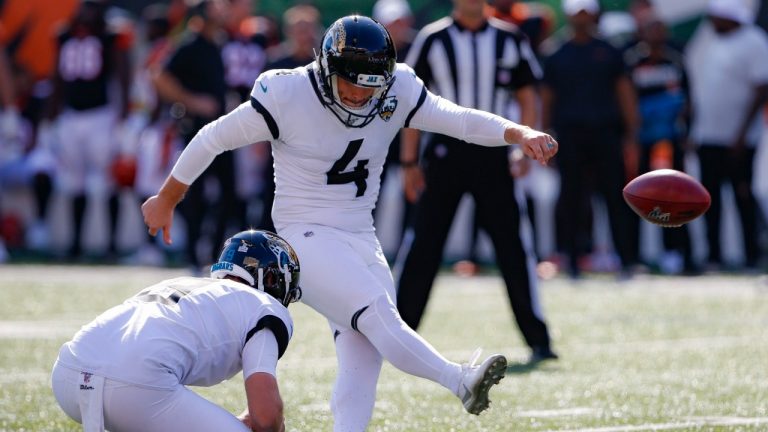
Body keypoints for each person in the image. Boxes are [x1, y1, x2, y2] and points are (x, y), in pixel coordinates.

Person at [142, 15, 557, 430]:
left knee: (364, 357)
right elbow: (213, 137)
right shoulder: (287, 92)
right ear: (326, 71)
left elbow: (461, 120)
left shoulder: (398, 88)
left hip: (361, 234)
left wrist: (517, 132)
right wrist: (168, 197)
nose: (359, 95)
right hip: (303, 233)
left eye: (370, 84)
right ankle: (459, 379)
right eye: (351, 82)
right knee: (378, 313)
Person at [394, 0, 558, 362]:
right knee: (423, 244)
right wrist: (409, 161)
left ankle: (538, 338)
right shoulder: (433, 38)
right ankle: (397, 336)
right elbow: (409, 103)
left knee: (513, 247)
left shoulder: (509, 38)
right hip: (444, 153)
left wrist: (524, 147)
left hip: (494, 152)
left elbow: (526, 93)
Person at [51, 229, 301, 432]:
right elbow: (266, 417)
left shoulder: (181, 283)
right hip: (136, 386)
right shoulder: (265, 306)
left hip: (70, 371)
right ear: (274, 279)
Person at [540, 0, 640, 279]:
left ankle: (627, 260)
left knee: (616, 198)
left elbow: (624, 94)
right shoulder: (555, 52)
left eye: (586, 12)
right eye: (577, 12)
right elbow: (547, 99)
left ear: (594, 14)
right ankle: (572, 260)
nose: (582, 17)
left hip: (607, 134)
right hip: (570, 136)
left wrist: (632, 134)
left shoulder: (609, 52)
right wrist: (544, 137)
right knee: (571, 199)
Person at [684, 0, 768, 271]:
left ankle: (752, 255)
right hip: (709, 135)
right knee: (710, 199)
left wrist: (742, 133)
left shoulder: (754, 41)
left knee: (743, 196)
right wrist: (694, 130)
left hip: (738, 139)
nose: (712, 22)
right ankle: (714, 256)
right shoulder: (715, 42)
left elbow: (761, 88)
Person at [46, 0, 132, 260]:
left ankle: (112, 245)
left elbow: (121, 70)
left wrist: (124, 108)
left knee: (107, 180)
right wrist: (53, 109)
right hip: (71, 115)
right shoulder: (64, 34)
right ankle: (75, 245)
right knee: (75, 181)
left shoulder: (109, 35)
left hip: (100, 115)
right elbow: (58, 74)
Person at [153, 0, 233, 271]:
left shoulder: (222, 43)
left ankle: (214, 253)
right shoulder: (190, 45)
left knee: (228, 193)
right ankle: (192, 255)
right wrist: (192, 101)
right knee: (194, 193)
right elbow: (160, 77)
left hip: (224, 131)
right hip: (197, 128)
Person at [623, 9, 696, 274]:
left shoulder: (675, 61)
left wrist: (687, 132)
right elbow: (625, 100)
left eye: (660, 29)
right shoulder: (632, 61)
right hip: (641, 140)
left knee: (674, 196)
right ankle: (634, 255)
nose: (657, 34)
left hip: (670, 140)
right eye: (651, 29)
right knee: (637, 196)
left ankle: (677, 253)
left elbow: (689, 100)